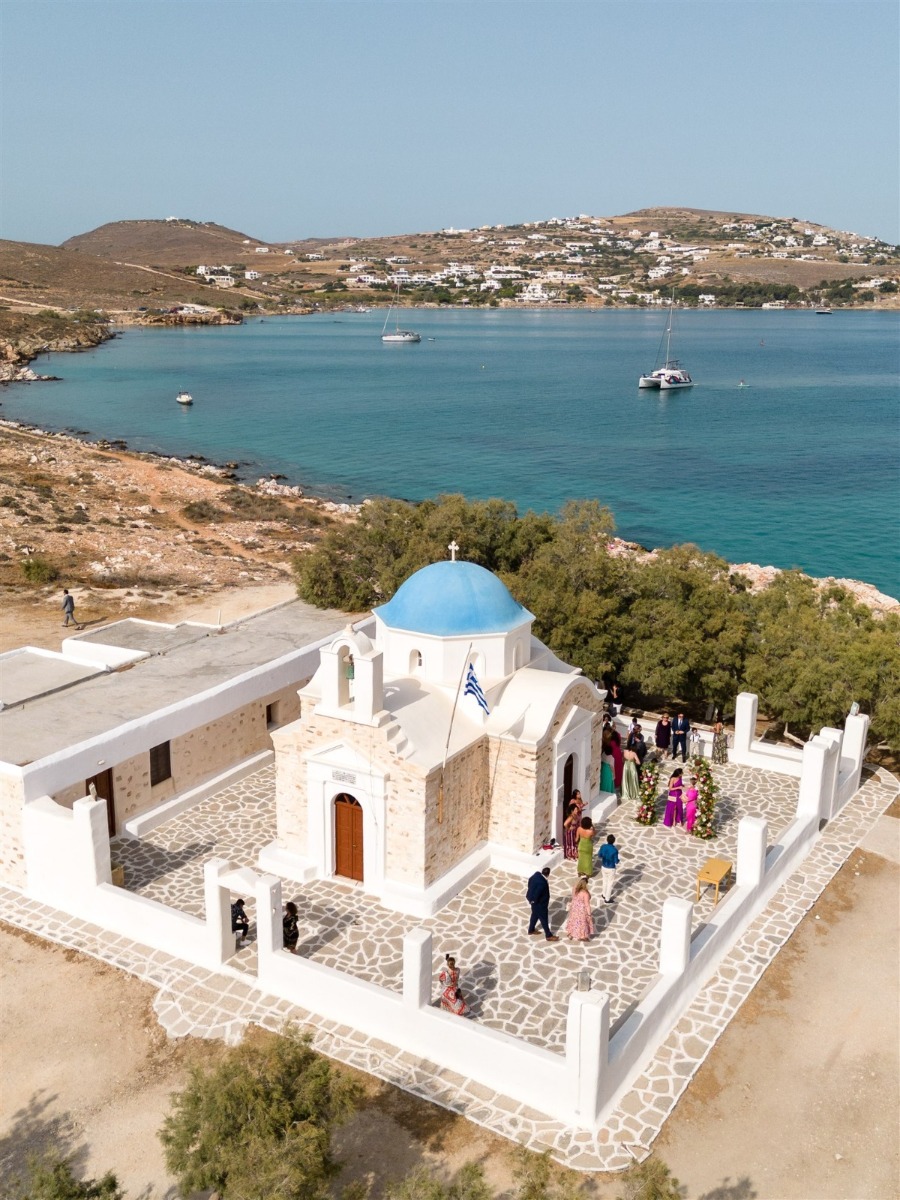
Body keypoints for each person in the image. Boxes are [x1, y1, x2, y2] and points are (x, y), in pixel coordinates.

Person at [526, 866, 559, 941]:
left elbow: (530, 880)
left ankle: (531, 930)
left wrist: (531, 892)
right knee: (544, 919)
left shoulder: (536, 874)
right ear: (548, 874)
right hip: (540, 904)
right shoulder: (543, 883)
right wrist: (534, 900)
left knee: (534, 915)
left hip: (533, 902)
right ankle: (548, 935)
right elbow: (537, 893)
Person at [565, 876, 594, 940]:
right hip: (581, 910)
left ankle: (571, 933)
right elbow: (587, 905)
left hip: (574, 907)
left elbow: (573, 897)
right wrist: (589, 914)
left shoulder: (575, 888)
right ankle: (582, 936)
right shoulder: (585, 893)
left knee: (573, 920)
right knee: (582, 923)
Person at [598, 834, 620, 903]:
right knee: (610, 884)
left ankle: (604, 894)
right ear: (614, 841)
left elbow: (599, 855)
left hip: (604, 866)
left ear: (607, 840)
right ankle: (607, 899)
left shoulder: (603, 846)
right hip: (611, 868)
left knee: (604, 881)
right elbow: (616, 861)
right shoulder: (615, 850)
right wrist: (619, 860)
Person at [562, 792, 584, 860]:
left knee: (575, 842)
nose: (576, 811)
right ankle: (570, 855)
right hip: (570, 832)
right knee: (571, 843)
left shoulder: (576, 816)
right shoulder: (571, 817)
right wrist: (569, 828)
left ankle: (574, 854)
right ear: (572, 811)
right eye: (575, 810)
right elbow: (565, 824)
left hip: (575, 831)